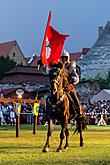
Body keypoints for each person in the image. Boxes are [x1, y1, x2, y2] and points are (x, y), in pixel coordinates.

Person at [60, 50, 82, 115]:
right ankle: (47, 114)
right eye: (62, 57)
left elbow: (76, 77)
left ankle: (79, 112)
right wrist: (41, 66)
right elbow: (48, 72)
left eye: (65, 57)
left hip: (68, 86)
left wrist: (73, 79)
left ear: (67, 58)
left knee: (74, 96)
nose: (64, 59)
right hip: (58, 86)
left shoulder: (71, 68)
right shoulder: (58, 67)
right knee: (49, 97)